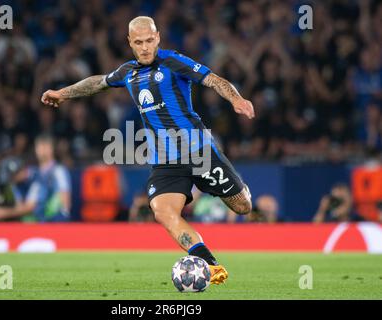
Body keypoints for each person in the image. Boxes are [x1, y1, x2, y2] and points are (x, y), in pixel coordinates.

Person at [41, 16, 254, 284]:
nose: (144, 47)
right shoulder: (127, 72)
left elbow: (213, 79)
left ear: (158, 37)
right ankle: (210, 266)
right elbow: (97, 83)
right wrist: (62, 93)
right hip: (165, 161)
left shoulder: (173, 61)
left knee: (243, 206)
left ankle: (235, 188)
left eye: (149, 40)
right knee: (163, 212)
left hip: (199, 152)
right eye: (138, 42)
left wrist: (236, 98)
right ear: (129, 42)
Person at [0, 135, 71, 222]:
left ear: (51, 149)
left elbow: (65, 203)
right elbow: (23, 204)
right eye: (39, 146)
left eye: (45, 146)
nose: (42, 150)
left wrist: (3, 213)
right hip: (37, 223)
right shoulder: (32, 172)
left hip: (55, 222)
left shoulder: (58, 170)